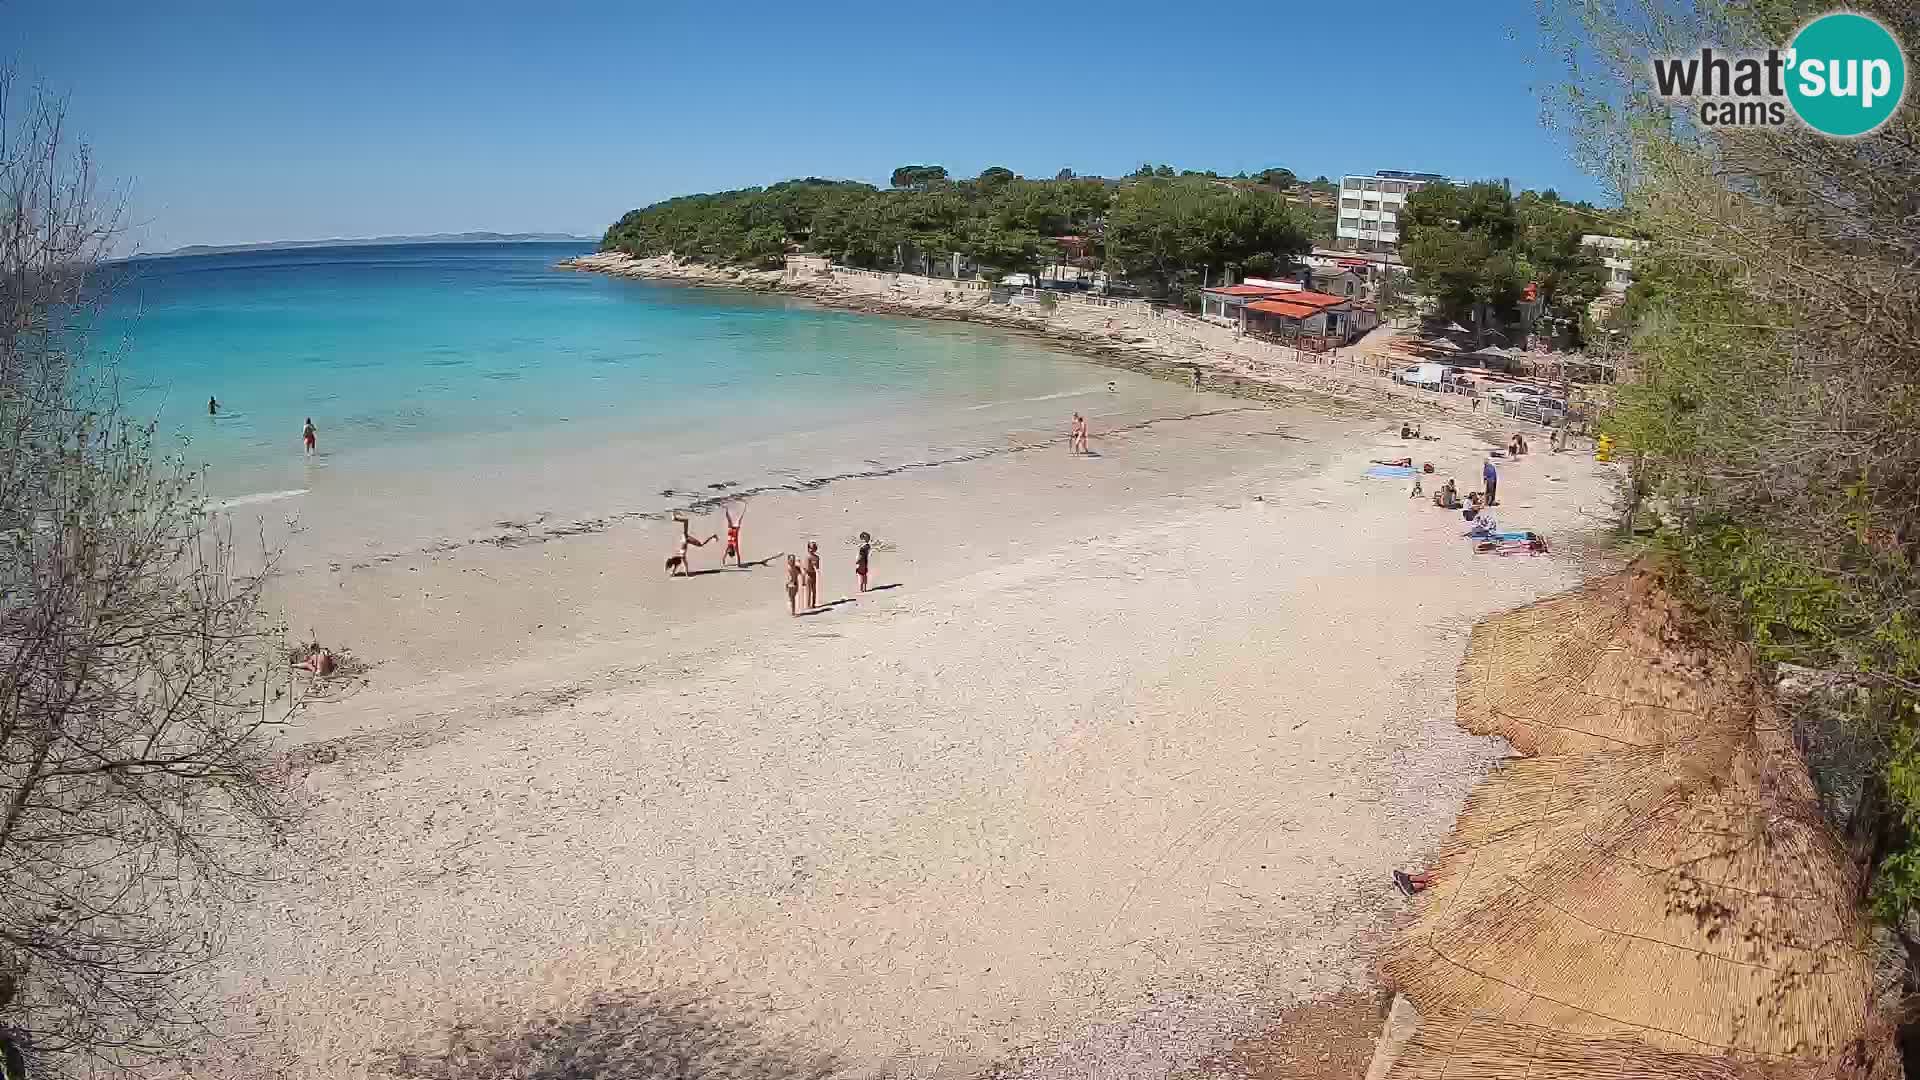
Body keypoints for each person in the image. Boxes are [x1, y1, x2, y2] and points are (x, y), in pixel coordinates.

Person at [804, 541, 820, 610]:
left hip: (813, 574)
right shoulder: (807, 557)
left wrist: (815, 566)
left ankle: (813, 604)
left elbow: (818, 567)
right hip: (808, 574)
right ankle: (808, 605)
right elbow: (806, 568)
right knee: (808, 590)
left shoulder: (817, 557)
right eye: (810, 548)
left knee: (814, 590)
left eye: (813, 548)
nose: (812, 550)